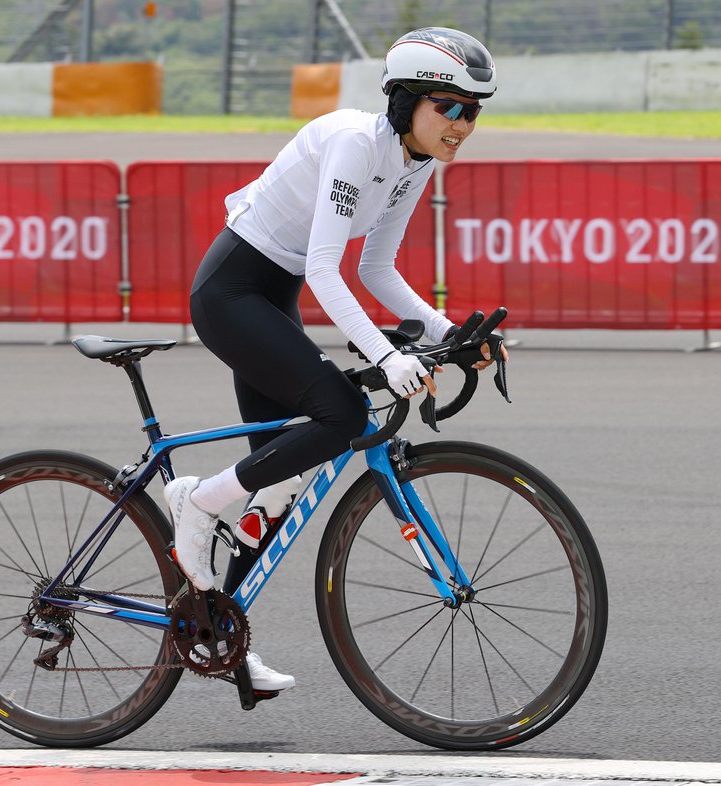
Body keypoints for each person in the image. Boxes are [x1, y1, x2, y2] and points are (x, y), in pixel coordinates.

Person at [164, 27, 505, 692]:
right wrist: (384, 353)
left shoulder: (414, 162)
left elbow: (378, 267)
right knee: (342, 410)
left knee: (279, 480)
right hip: (232, 292)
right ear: (407, 102)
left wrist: (449, 331)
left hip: (272, 294)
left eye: (475, 111)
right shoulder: (356, 142)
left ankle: (216, 635)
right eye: (451, 107)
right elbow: (326, 266)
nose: (463, 125)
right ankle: (198, 503)